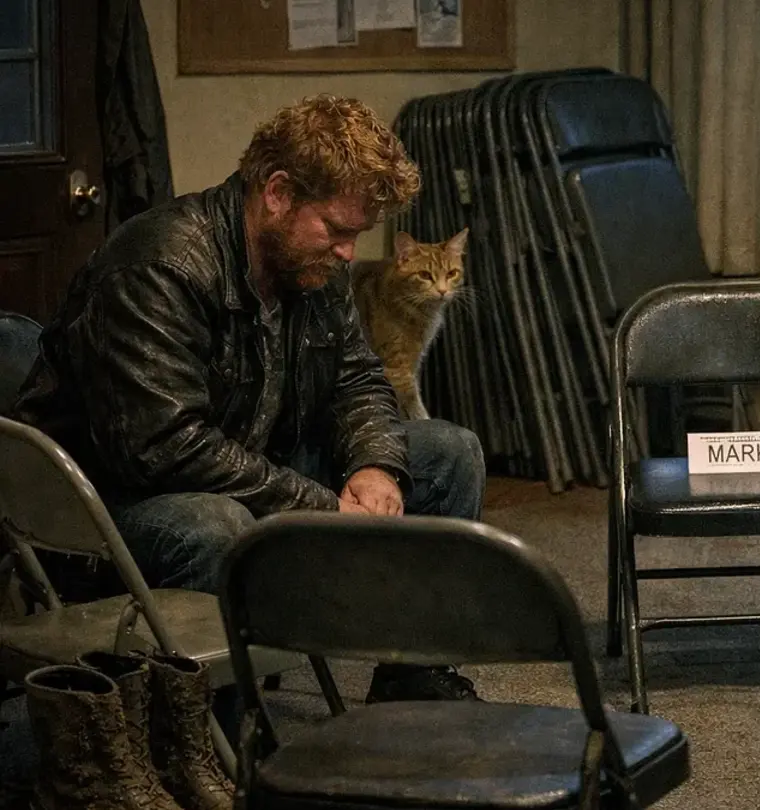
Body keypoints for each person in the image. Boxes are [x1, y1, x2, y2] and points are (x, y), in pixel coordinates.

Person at [12, 95, 485, 704]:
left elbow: (359, 378)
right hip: (109, 509)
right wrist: (319, 504)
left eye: (357, 234)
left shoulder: (314, 264)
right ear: (278, 193)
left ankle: (412, 677)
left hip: (248, 466)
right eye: (337, 229)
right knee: (217, 525)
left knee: (450, 453)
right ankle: (211, 733)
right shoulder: (160, 265)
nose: (349, 251)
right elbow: (166, 447)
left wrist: (375, 465)